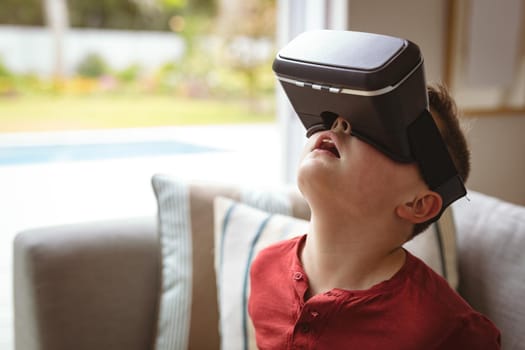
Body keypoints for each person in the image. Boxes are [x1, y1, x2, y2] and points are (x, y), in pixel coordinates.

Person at [248, 85, 501, 349]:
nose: (341, 124)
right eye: (334, 116)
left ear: (419, 204)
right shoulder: (266, 268)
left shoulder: (449, 329)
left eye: (378, 128)